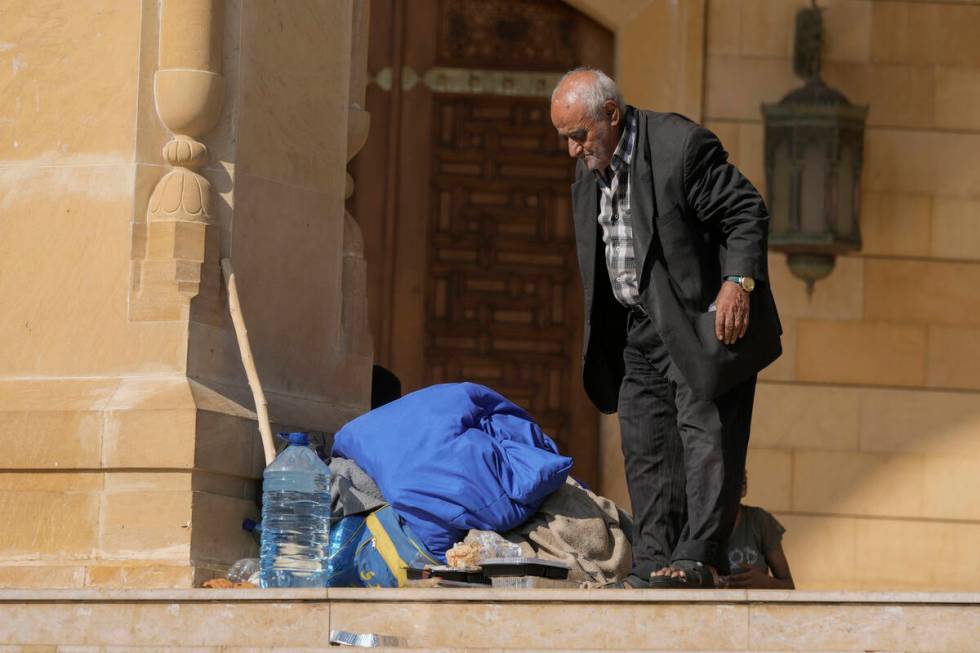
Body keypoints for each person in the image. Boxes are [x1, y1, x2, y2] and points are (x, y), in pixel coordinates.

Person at [549, 68, 782, 588]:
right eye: (564, 138)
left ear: (611, 114)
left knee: (708, 439)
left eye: (578, 136)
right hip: (638, 329)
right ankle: (654, 558)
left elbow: (745, 211)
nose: (572, 150)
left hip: (699, 323)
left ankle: (699, 554)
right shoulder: (591, 169)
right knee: (645, 445)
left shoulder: (682, 147)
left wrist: (737, 282)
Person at [720, 472, 794, 589]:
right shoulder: (698, 523)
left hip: (757, 606)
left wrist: (766, 582)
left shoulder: (759, 521)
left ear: (743, 487)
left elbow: (789, 586)